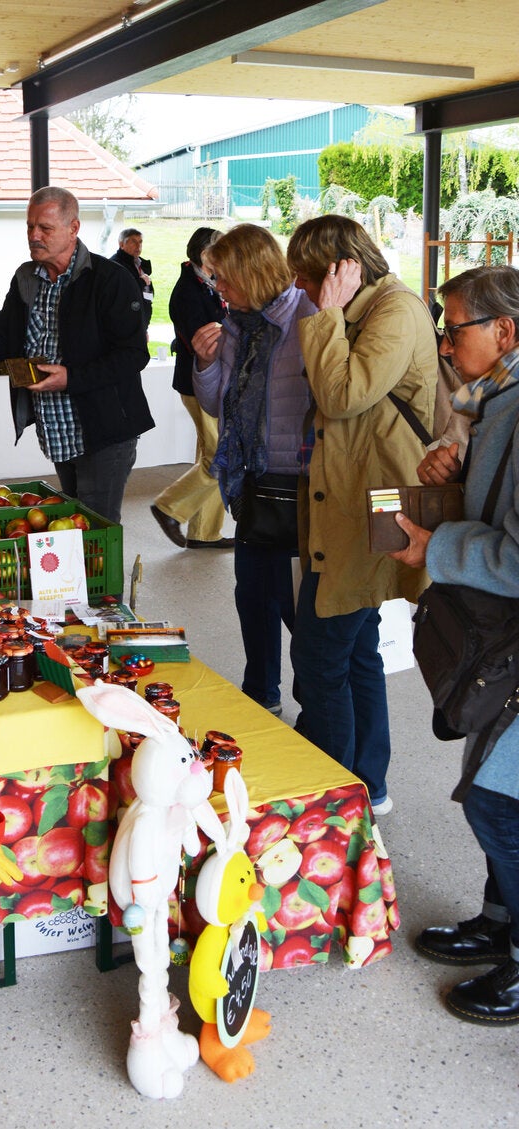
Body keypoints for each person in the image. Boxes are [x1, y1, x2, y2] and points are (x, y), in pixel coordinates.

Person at [391, 265, 519, 1026]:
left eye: (455, 325)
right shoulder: (497, 398)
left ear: (506, 331)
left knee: (499, 802)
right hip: (501, 634)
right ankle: (500, 922)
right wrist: (462, 467)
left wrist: (437, 547)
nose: (444, 341)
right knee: (495, 785)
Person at [286, 214, 439, 815]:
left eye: (304, 275)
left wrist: (326, 315)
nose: (299, 289)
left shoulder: (395, 311)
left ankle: (334, 799)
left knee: (321, 655)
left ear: (334, 269)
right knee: (354, 648)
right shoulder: (365, 310)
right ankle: (367, 785)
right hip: (350, 501)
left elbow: (342, 394)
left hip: (368, 508)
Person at [0, 186, 153, 524]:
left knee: (95, 530)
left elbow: (132, 355)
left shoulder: (110, 280)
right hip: (57, 431)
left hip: (104, 430)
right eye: (30, 227)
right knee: (69, 524)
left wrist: (71, 378)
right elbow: (5, 331)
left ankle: (101, 578)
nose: (34, 236)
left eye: (45, 228)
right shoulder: (27, 277)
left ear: (74, 228)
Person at [192, 224, 315, 716]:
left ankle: (317, 705)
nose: (217, 288)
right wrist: (204, 365)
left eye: (223, 278)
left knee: (297, 608)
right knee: (253, 598)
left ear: (252, 272)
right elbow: (217, 404)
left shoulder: (309, 317)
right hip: (249, 483)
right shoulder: (235, 325)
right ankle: (261, 693)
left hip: (297, 486)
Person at [150, 227, 232, 549]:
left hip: (211, 384)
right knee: (218, 457)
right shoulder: (188, 292)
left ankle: (204, 533)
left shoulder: (210, 285)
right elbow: (207, 342)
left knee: (210, 455)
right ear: (203, 254)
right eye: (219, 249)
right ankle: (168, 507)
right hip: (199, 385)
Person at [110, 227, 154, 332]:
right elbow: (123, 295)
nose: (138, 246)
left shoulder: (139, 264)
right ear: (121, 244)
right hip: (124, 328)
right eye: (133, 242)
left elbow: (147, 297)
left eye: (140, 242)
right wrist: (141, 283)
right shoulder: (114, 266)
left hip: (140, 326)